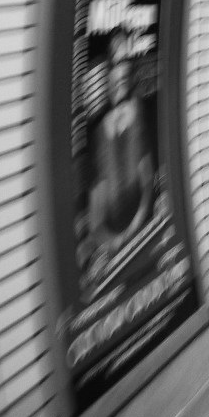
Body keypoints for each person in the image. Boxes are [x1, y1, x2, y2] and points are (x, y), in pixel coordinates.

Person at [87, 31, 155, 264]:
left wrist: (134, 230)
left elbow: (148, 181)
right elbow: (96, 215)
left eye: (128, 61)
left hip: (142, 234)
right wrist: (112, 241)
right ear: (107, 71)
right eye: (117, 62)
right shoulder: (99, 132)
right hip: (113, 248)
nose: (124, 70)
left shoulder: (138, 114)